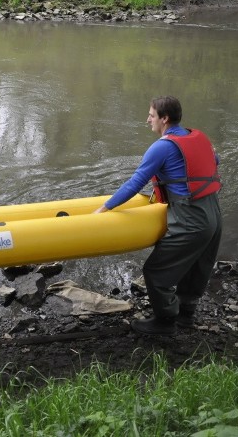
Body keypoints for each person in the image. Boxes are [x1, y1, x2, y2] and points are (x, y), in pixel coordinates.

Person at [94, 96, 222, 335]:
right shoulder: (200, 137)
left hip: (191, 217)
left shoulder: (162, 146)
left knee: (156, 272)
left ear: (164, 119)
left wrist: (105, 208)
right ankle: (186, 316)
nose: (147, 120)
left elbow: (135, 183)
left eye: (151, 115)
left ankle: (165, 321)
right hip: (213, 212)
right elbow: (214, 161)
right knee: (197, 266)